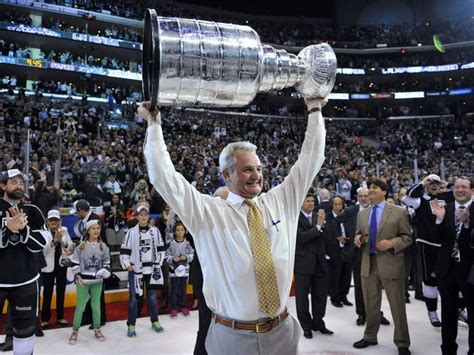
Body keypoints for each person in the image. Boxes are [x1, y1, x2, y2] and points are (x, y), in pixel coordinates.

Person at [139, 96, 326, 355]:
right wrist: (154, 125)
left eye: (259, 168)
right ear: (226, 175)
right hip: (232, 338)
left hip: (282, 332)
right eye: (247, 169)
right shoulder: (207, 212)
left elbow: (311, 160)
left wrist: (315, 110)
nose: (257, 175)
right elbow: (163, 177)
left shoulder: (281, 201)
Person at [353, 179, 412, 355]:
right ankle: (370, 336)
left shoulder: (399, 212)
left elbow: (407, 237)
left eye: (374, 188)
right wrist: (358, 239)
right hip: (368, 263)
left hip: (390, 263)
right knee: (370, 304)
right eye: (369, 188)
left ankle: (402, 342)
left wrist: (392, 242)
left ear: (384, 192)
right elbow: (359, 233)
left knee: (397, 305)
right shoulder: (362, 214)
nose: (370, 190)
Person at [0, 169, 50, 354]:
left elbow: (42, 242)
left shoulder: (32, 210)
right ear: (3, 186)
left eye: (21, 182)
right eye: (13, 182)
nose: (19, 185)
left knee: (25, 332)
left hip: (26, 281)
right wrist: (7, 229)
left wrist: (22, 231)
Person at [401, 174, 453, 327]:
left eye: (437, 183)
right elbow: (408, 197)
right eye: (431, 183)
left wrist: (447, 185)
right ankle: (432, 311)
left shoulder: (447, 197)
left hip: (446, 245)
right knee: (430, 280)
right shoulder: (420, 200)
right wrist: (423, 182)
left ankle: (459, 308)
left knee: (451, 278)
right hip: (427, 244)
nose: (434, 185)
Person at [335, 187, 390, 326]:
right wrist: (339, 236)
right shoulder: (351, 211)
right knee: (360, 286)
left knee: (376, 285)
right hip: (358, 253)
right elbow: (334, 221)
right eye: (361, 196)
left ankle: (377, 313)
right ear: (357, 197)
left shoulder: (377, 209)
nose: (364, 198)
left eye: (366, 195)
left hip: (376, 252)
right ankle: (361, 314)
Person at [432, 176, 473, 355]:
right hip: (447, 269)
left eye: (464, 186)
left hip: (471, 270)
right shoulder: (445, 209)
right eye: (457, 187)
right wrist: (439, 220)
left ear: (472, 190)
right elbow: (438, 238)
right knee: (448, 312)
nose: (460, 190)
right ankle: (448, 350)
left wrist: (466, 224)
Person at [120, 204, 166, 337]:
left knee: (152, 298)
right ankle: (131, 324)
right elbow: (124, 250)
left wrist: (159, 262)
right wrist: (127, 264)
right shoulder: (130, 232)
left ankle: (155, 321)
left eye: (146, 214)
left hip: (151, 270)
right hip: (135, 271)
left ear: (148, 216)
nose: (143, 217)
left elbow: (161, 248)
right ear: (137, 216)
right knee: (134, 299)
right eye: (141, 214)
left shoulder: (155, 231)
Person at [294, 190, 331, 339]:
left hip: (320, 262)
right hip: (302, 263)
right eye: (308, 201)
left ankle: (318, 323)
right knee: (302, 298)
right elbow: (301, 238)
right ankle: (306, 326)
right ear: (301, 203)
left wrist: (322, 227)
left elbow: (326, 235)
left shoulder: (319, 217)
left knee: (320, 296)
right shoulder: (294, 217)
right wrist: (317, 228)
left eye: (312, 201)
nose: (311, 203)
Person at [68, 220, 111, 345]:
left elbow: (107, 263)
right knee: (80, 307)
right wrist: (77, 276)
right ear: (88, 231)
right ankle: (75, 330)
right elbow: (75, 263)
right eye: (93, 228)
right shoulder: (80, 247)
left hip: (97, 281)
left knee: (96, 306)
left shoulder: (104, 246)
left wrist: (106, 271)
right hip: (83, 281)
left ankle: (97, 328)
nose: (96, 230)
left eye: (98, 228)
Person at [41, 209, 74, 328]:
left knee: (61, 291)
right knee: (47, 292)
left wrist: (62, 241)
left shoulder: (64, 230)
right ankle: (45, 318)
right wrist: (54, 241)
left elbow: (70, 246)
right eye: (51, 220)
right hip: (48, 266)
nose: (53, 222)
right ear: (47, 221)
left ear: (59, 221)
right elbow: (43, 251)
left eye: (56, 219)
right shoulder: (43, 232)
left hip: (61, 265)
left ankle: (60, 317)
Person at [326, 195, 352, 308]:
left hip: (347, 249)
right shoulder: (327, 218)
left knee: (346, 274)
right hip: (334, 250)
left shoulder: (347, 216)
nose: (338, 206)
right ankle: (335, 297)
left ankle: (344, 296)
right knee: (335, 275)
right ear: (332, 205)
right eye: (335, 204)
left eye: (339, 204)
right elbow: (326, 236)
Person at [166, 221, 194, 318]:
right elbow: (167, 256)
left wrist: (186, 257)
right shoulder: (171, 244)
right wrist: (173, 259)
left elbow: (192, 255)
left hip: (184, 270)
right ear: (174, 232)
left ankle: (183, 306)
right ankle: (173, 308)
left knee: (183, 289)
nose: (180, 232)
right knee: (174, 289)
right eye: (178, 230)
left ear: (185, 231)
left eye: (182, 230)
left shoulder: (188, 244)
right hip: (173, 270)